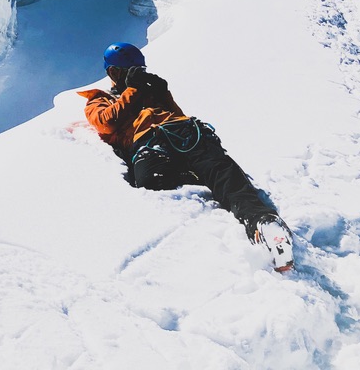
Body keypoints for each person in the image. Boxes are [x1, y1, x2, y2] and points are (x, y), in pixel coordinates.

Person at [78, 42, 293, 270]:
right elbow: (106, 122)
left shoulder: (150, 92)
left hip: (183, 131)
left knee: (221, 170)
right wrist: (133, 91)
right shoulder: (99, 99)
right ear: (112, 72)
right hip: (148, 143)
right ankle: (202, 183)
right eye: (123, 72)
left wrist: (162, 93)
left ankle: (261, 222)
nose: (131, 76)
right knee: (151, 183)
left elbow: (176, 114)